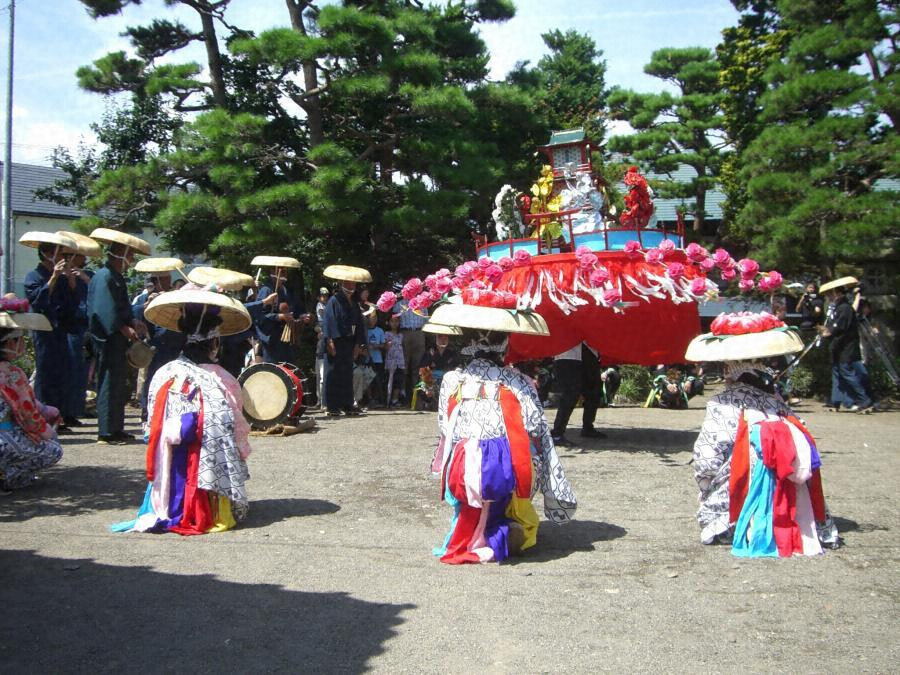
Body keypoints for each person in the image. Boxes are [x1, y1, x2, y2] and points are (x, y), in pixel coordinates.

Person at [428, 301, 576, 564]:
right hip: (505, 469)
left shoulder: (453, 379)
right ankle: (505, 528)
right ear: (505, 343)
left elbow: (444, 426)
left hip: (464, 468)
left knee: (469, 466)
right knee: (522, 459)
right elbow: (534, 425)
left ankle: (481, 532)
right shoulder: (517, 380)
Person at [685, 311, 839, 555]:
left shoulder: (724, 402)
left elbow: (708, 455)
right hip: (791, 483)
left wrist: (705, 487)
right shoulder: (777, 403)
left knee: (729, 468)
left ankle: (737, 524)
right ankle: (806, 524)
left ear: (729, 371)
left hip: (747, 480)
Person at [112, 289, 252, 534]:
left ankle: (165, 504)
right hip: (205, 465)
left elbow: (150, 421)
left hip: (167, 464)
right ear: (215, 343)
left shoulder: (164, 373)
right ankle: (211, 507)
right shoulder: (223, 379)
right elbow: (236, 427)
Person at [86, 228, 151, 445]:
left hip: (118, 339)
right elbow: (103, 311)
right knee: (107, 383)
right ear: (120, 253)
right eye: (130, 254)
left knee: (119, 384)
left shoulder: (115, 277)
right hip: (108, 338)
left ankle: (116, 428)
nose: (131, 259)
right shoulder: (103, 276)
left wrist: (133, 321)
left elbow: (121, 308)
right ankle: (105, 431)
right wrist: (122, 328)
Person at [0, 296, 63, 492]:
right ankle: (10, 477)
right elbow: (29, 416)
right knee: (53, 449)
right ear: (10, 342)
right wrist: (47, 432)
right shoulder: (11, 374)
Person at [21, 232, 77, 432]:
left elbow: (70, 304)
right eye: (58, 253)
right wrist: (53, 278)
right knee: (46, 373)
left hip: (59, 329)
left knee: (62, 372)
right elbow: (37, 300)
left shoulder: (62, 278)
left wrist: (71, 283)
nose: (62, 257)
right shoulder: (33, 276)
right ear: (46, 253)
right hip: (43, 329)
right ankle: (43, 417)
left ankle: (59, 416)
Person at [57, 231, 101, 427]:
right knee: (68, 371)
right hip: (71, 328)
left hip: (88, 328)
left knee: (82, 373)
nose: (84, 259)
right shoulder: (60, 275)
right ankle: (64, 412)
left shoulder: (89, 274)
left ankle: (76, 409)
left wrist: (84, 278)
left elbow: (97, 294)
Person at [322, 264, 370, 417]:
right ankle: (332, 405)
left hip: (350, 341)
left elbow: (360, 324)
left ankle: (347, 403)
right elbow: (329, 322)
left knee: (347, 373)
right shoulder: (334, 300)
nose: (352, 286)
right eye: (348, 283)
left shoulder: (354, 303)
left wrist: (358, 344)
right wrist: (330, 341)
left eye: (354, 283)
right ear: (342, 283)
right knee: (333, 372)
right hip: (336, 340)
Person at [820, 277, 873, 413]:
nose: (829, 297)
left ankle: (864, 400)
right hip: (838, 347)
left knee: (847, 372)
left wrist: (829, 331)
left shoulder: (844, 308)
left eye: (830, 294)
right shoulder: (838, 307)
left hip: (845, 347)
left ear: (837, 293)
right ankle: (836, 401)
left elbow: (840, 326)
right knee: (837, 372)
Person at [252, 256, 310, 365]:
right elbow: (259, 316)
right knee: (273, 373)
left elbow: (296, 309)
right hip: (271, 342)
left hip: (286, 341)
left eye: (285, 271)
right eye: (281, 271)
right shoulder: (266, 290)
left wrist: (302, 316)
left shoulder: (286, 290)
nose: (284, 273)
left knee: (286, 372)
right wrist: (280, 317)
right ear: (272, 271)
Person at [551, 342, 604, 446]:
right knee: (570, 394)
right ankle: (557, 433)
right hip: (568, 352)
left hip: (589, 351)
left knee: (594, 392)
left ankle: (588, 427)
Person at [393, 297, 428, 399]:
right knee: (403, 364)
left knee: (418, 364)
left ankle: (416, 394)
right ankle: (402, 392)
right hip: (405, 333)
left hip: (419, 333)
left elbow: (426, 320)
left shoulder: (423, 303)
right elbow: (394, 320)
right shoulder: (399, 304)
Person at [365, 309, 386, 406]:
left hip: (378, 359)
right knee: (368, 380)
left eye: (375, 318)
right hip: (367, 359)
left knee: (378, 379)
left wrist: (376, 346)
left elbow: (384, 345)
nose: (373, 320)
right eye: (371, 318)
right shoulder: (364, 331)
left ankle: (377, 399)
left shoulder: (380, 330)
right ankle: (370, 399)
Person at [385, 314, 405, 406]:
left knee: (398, 380)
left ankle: (395, 399)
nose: (394, 323)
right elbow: (384, 347)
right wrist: (386, 345)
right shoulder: (386, 334)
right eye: (392, 321)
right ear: (389, 323)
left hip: (400, 361)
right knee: (389, 380)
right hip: (390, 360)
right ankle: (387, 399)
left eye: (396, 321)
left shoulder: (401, 335)